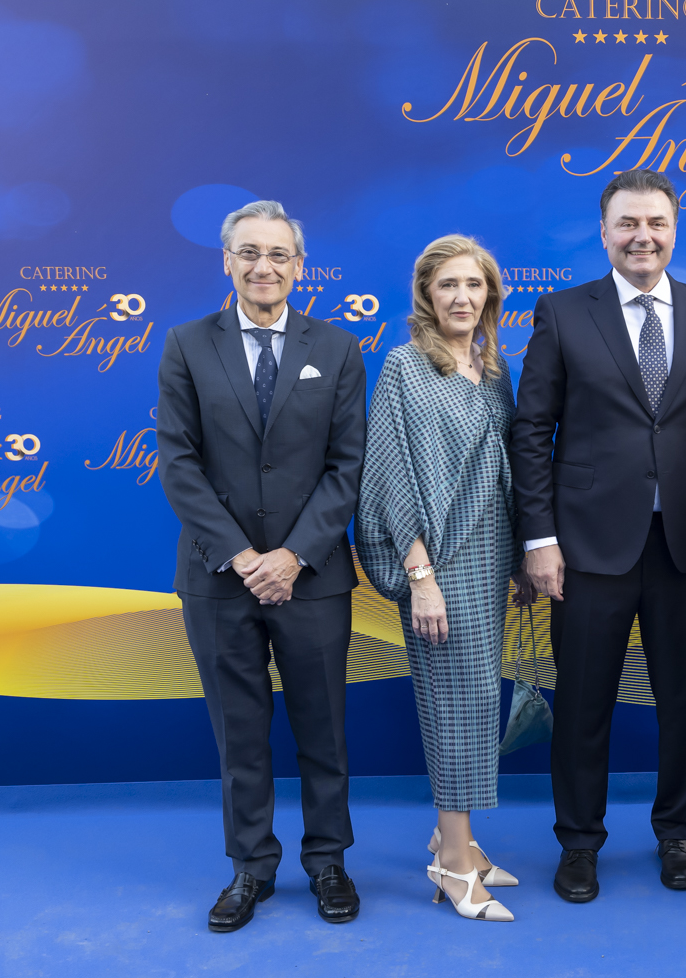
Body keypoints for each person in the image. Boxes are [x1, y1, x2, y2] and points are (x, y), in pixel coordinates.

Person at [510, 169, 686, 903]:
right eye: (628, 224)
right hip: (585, 548)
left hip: (685, 546)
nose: (643, 237)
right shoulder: (562, 311)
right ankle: (579, 842)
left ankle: (677, 832)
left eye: (656, 224)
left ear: (674, 230)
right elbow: (531, 430)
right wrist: (539, 539)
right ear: (605, 232)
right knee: (583, 704)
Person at [157, 200, 366, 933]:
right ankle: (251, 867)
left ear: (299, 266)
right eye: (249, 252)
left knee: (323, 730)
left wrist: (293, 555)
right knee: (239, 734)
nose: (263, 266)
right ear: (227, 261)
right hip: (219, 578)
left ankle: (329, 861)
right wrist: (246, 557)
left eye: (278, 254)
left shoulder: (338, 348)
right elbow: (178, 463)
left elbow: (347, 465)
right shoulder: (186, 344)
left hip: (313, 577)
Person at [357, 235, 532, 923]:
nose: (462, 297)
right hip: (438, 562)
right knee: (455, 705)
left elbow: (507, 468)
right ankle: (453, 865)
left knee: (477, 700)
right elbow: (389, 473)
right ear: (426, 295)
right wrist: (420, 575)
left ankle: (454, 837)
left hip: (490, 559)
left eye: (474, 284)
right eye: (448, 285)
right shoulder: (405, 365)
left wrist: (520, 558)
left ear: (491, 294)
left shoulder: (495, 368)